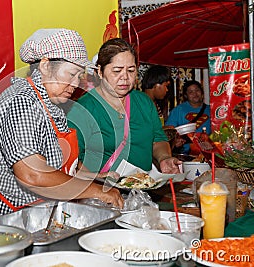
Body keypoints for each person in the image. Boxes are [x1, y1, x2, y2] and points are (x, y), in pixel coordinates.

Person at [0, 28, 124, 218]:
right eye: (71, 74)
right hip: (12, 214)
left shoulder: (51, 104)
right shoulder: (21, 102)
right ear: (45, 66)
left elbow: (60, 159)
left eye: (79, 76)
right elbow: (33, 174)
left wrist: (91, 177)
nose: (74, 84)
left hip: (41, 210)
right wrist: (97, 192)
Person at [67, 38, 181, 174]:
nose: (125, 77)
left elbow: (157, 140)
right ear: (100, 72)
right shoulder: (82, 109)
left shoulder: (144, 102)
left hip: (142, 189)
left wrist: (164, 158)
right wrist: (96, 179)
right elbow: (71, 160)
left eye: (131, 70)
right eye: (117, 71)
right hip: (101, 191)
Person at [165, 80, 211, 154]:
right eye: (191, 92)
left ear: (202, 92)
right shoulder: (178, 110)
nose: (195, 94)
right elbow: (168, 132)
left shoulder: (211, 110)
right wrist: (175, 141)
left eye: (197, 90)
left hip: (207, 152)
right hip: (184, 154)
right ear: (186, 95)